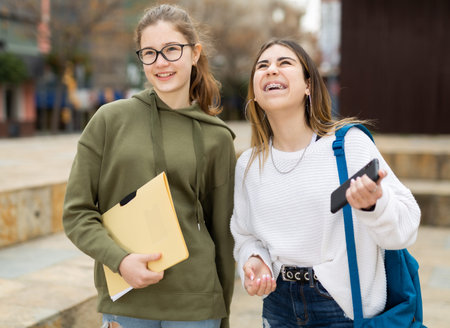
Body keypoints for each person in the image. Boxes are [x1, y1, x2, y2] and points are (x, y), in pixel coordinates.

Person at [63, 4, 236, 328]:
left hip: (196, 304)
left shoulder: (217, 137)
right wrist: (120, 261)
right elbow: (77, 213)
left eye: (171, 49)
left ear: (195, 52)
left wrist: (221, 313)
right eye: (149, 53)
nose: (161, 62)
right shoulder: (109, 121)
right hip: (127, 297)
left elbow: (223, 238)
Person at [230, 39, 421, 327]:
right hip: (278, 307)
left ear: (308, 85)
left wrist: (374, 207)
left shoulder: (349, 146)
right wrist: (255, 258)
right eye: (262, 66)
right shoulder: (248, 164)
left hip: (343, 307)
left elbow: (406, 228)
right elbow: (245, 235)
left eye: (284, 63)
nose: (271, 70)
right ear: (255, 92)